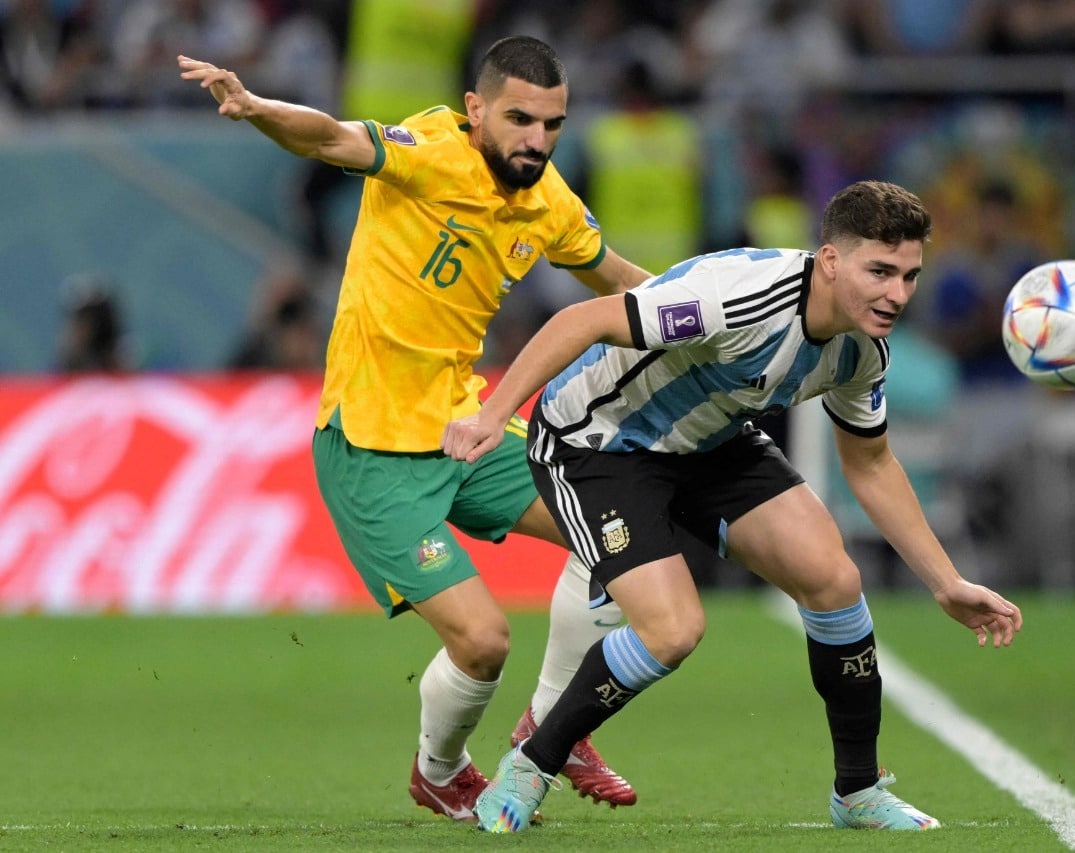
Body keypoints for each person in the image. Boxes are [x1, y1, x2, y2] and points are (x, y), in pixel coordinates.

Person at [443, 180, 1024, 832]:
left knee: (834, 579)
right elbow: (583, 319)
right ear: (831, 260)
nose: (898, 294)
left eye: (910, 275)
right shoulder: (740, 297)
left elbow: (870, 464)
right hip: (598, 441)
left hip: (709, 439)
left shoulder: (862, 347)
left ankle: (858, 791)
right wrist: (493, 415)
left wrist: (946, 582)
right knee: (672, 630)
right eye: (880, 272)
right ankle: (533, 762)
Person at [177, 35, 653, 820]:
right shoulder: (428, 150)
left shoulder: (549, 201)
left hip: (463, 427)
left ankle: (556, 727)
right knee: (484, 641)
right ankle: (440, 770)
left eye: (552, 124)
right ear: (475, 110)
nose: (537, 140)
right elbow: (329, 136)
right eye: (520, 119)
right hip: (372, 447)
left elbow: (625, 284)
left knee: (618, 532)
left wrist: (725, 309)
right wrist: (257, 108)